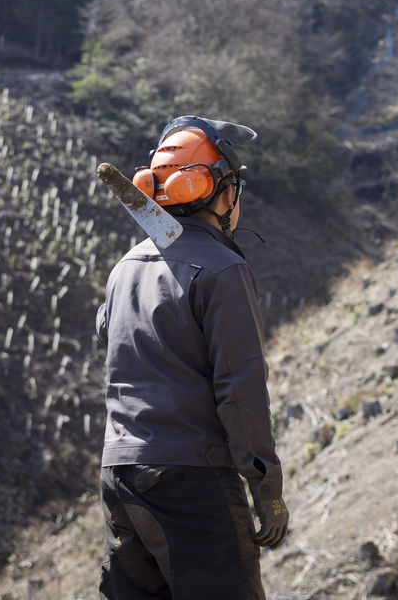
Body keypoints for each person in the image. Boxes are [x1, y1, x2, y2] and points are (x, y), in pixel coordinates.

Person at [96, 115, 287, 600]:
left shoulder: (126, 269)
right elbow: (240, 391)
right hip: (190, 480)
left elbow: (109, 331)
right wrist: (265, 487)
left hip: (121, 478)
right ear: (224, 193)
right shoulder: (223, 269)